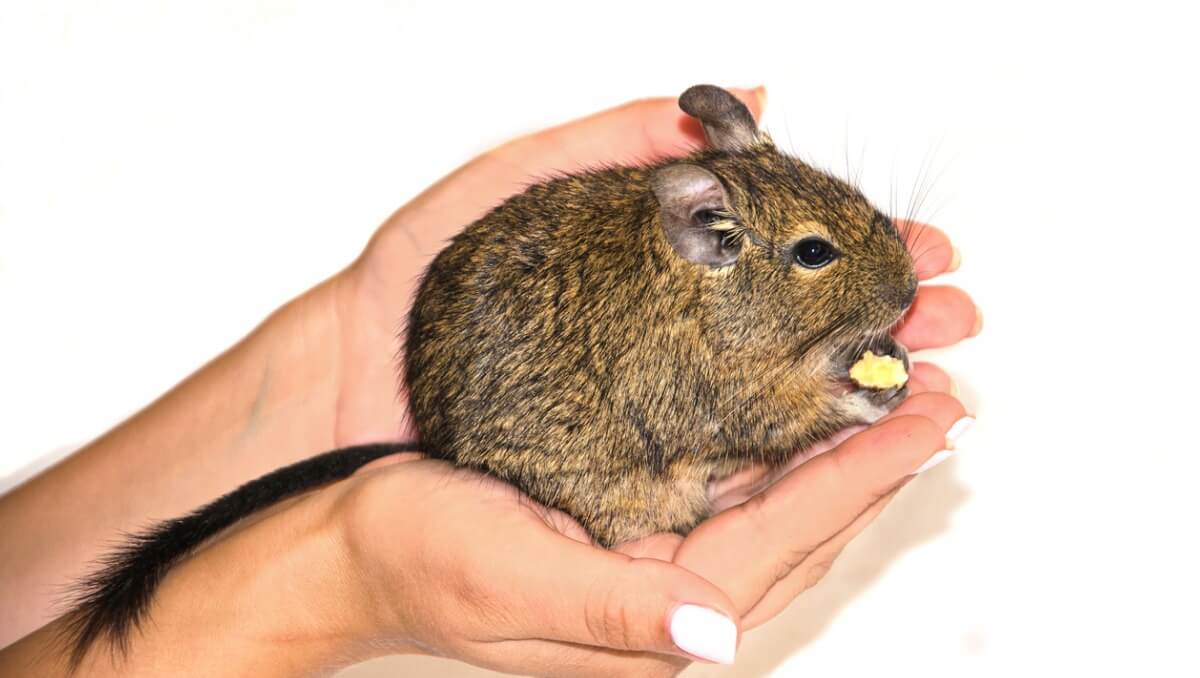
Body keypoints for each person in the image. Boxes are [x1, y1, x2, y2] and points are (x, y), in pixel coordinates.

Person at [0, 87, 980, 676]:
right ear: (706, 232)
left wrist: (320, 358)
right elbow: (731, 418)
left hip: (500, 374)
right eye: (816, 255)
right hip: (566, 455)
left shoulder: (705, 267)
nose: (889, 286)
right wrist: (832, 397)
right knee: (678, 468)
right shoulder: (702, 330)